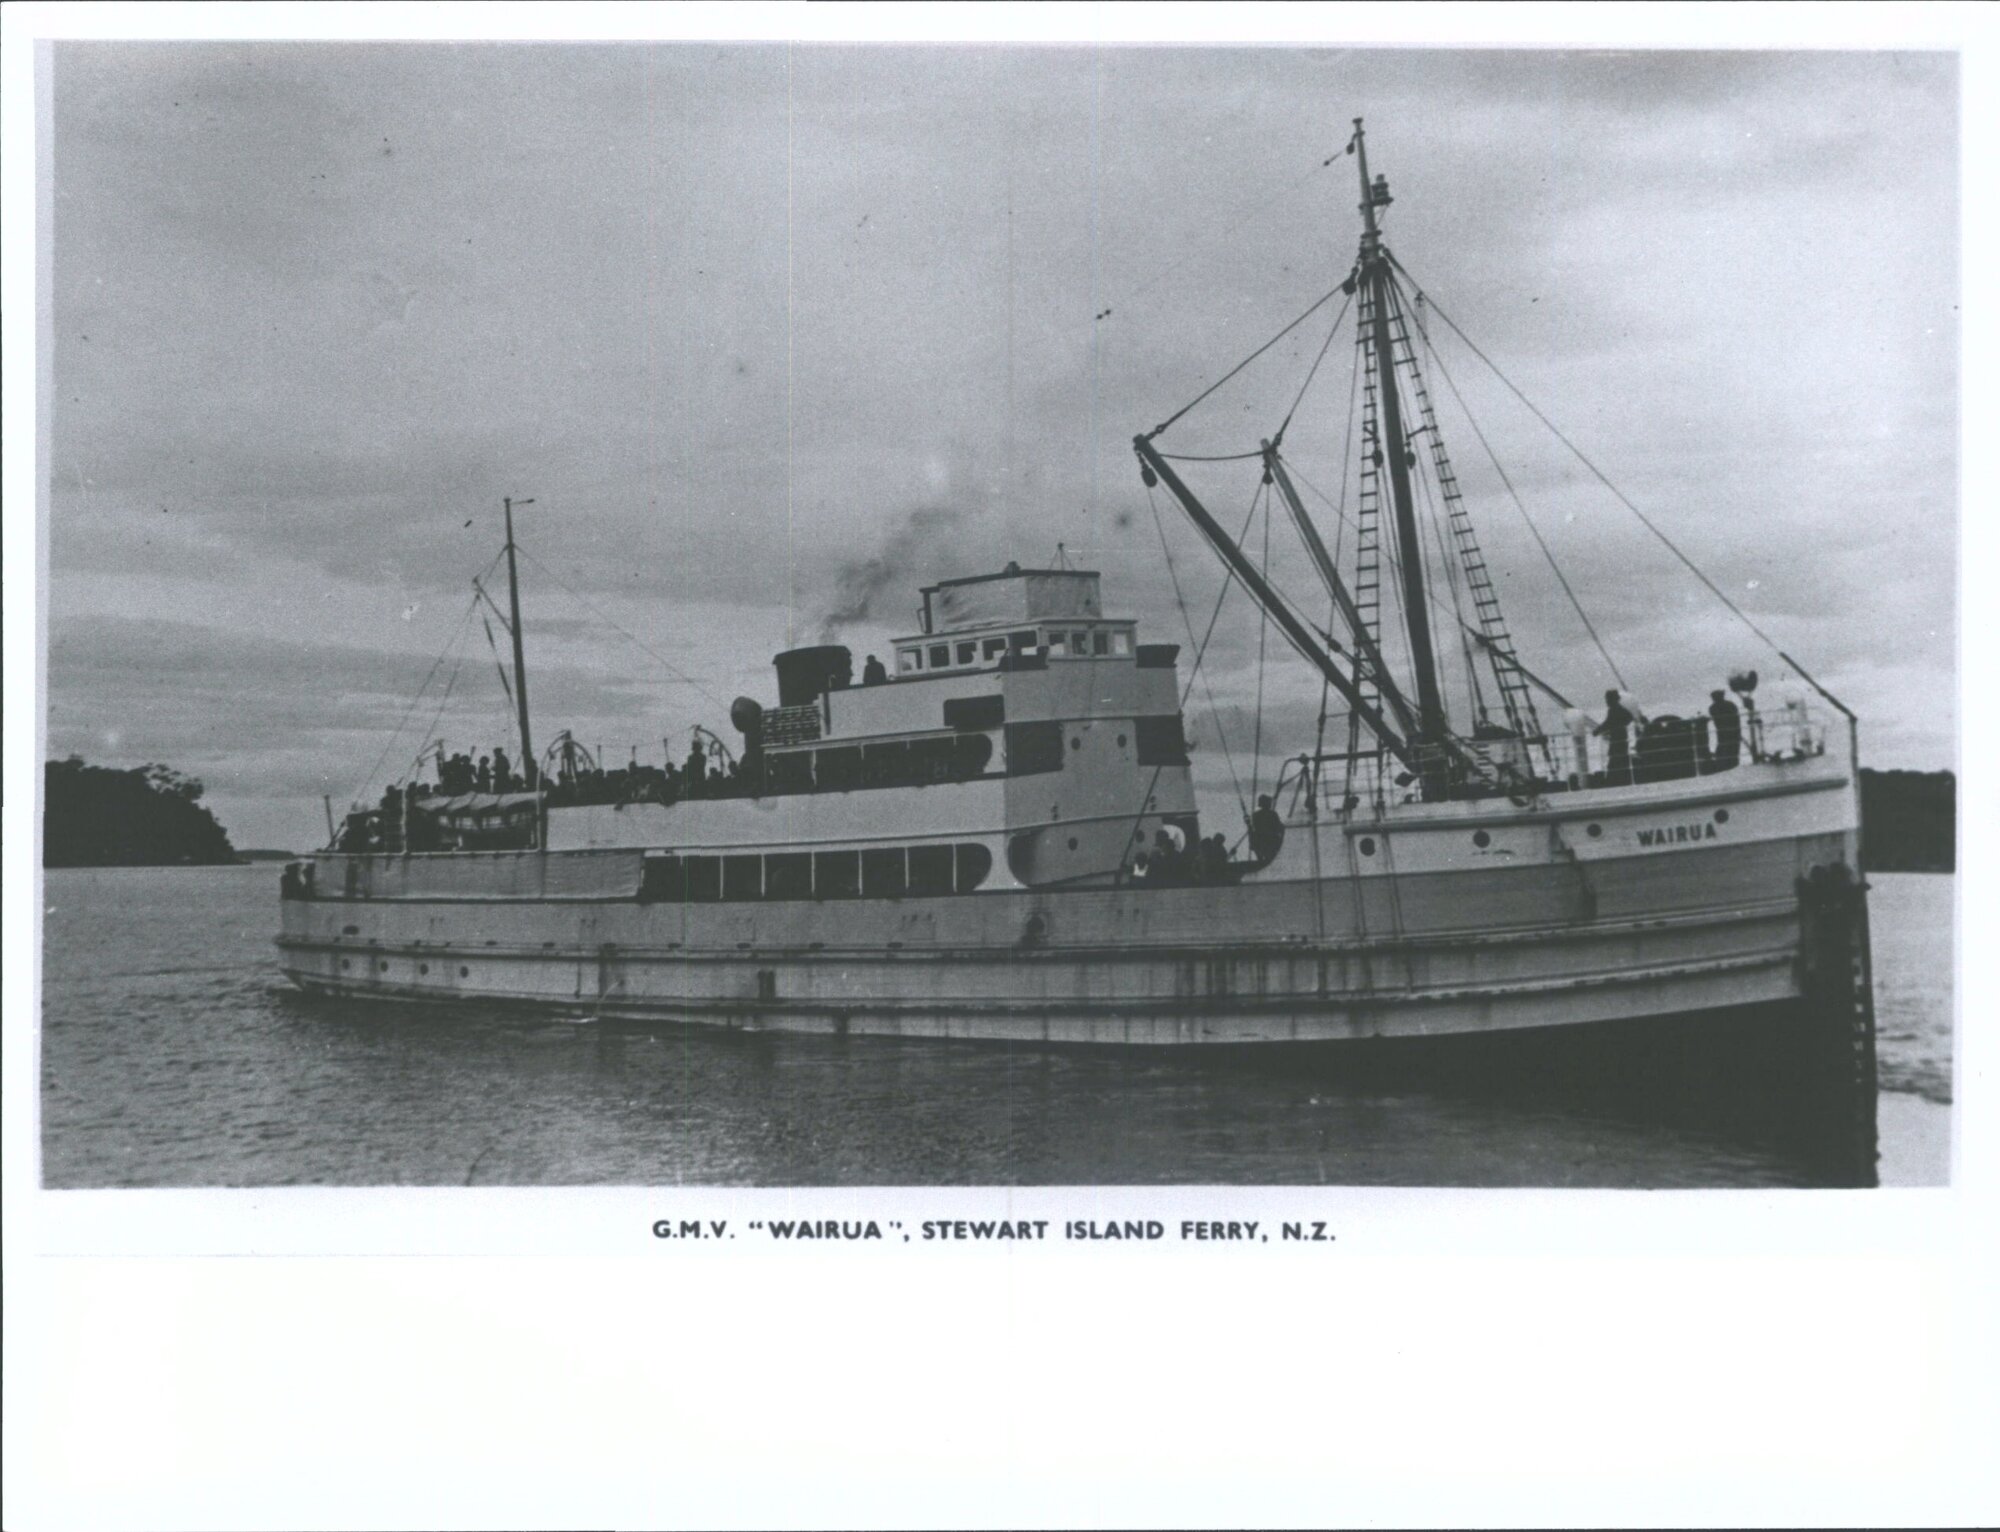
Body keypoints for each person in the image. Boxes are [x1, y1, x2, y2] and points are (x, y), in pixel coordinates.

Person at [1594, 690, 1635, 785]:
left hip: (1617, 741)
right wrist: (1620, 725)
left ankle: (1613, 781)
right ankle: (1623, 780)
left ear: (1612, 700)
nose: (1606, 702)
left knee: (1614, 761)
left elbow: (1608, 723)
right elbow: (1629, 717)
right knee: (1621, 761)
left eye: (1607, 699)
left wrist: (1597, 731)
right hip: (1622, 740)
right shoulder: (1620, 709)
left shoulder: (1613, 710)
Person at [1708, 689, 1742, 770]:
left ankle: (1724, 765)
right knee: (1732, 749)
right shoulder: (1730, 705)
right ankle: (1731, 765)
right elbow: (1736, 718)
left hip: (1724, 732)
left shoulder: (1713, 708)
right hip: (1731, 731)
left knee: (1726, 748)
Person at [1248, 794, 1285, 865]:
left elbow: (1254, 827)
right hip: (1270, 841)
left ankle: (1260, 860)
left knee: (1262, 857)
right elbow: (1278, 826)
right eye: (1269, 802)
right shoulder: (1272, 814)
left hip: (1258, 841)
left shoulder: (1255, 814)